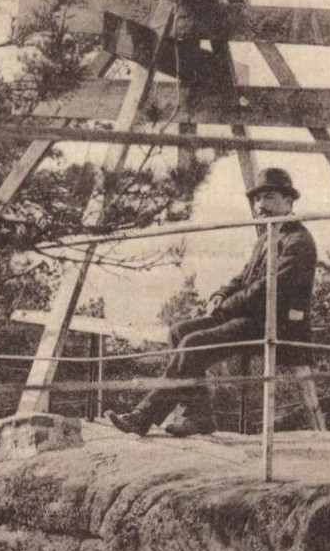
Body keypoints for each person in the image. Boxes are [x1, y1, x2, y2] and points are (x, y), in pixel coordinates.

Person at [106, 167, 316, 437]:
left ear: (289, 201)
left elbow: (270, 290)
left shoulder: (299, 241)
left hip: (279, 324)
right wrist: (219, 295)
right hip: (251, 317)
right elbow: (243, 278)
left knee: (194, 343)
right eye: (257, 199)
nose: (261, 205)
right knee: (178, 331)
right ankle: (199, 416)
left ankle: (144, 415)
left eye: (270, 197)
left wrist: (226, 306)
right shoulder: (266, 237)